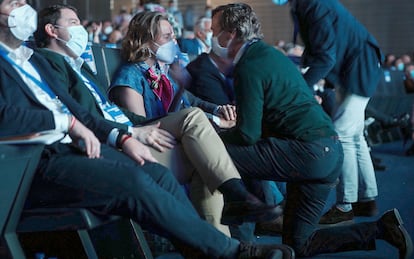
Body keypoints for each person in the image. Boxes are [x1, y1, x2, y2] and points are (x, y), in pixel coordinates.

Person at [0, 1, 296, 258]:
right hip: (29, 161)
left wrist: (120, 135)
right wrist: (69, 124)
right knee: (139, 176)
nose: (24, 8)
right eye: (13, 3)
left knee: (158, 174)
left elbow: (80, 112)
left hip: (84, 143)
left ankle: (209, 248)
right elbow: (49, 116)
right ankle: (231, 249)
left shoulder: (30, 62)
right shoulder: (42, 61)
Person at [210, 3, 412, 258]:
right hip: (327, 155)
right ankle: (382, 229)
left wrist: (216, 137)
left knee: (219, 152)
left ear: (230, 34)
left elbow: (248, 135)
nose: (211, 37)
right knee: (299, 245)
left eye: (214, 30)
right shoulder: (270, 55)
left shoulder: (249, 65)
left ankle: (241, 242)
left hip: (309, 153)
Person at [282, 0, 384, 225]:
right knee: (354, 136)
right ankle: (367, 199)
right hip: (354, 67)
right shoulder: (304, 5)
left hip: (358, 67)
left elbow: (325, 56)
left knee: (342, 134)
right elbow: (317, 47)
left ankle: (345, 205)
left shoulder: (313, 5)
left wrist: (302, 86)